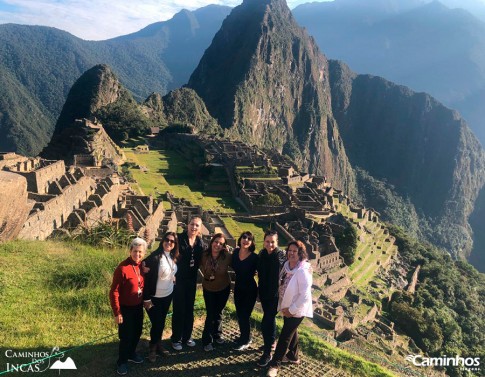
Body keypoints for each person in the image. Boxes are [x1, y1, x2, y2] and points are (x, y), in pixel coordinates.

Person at [266, 241, 313, 377]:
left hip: (297, 310)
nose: (291, 253)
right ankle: (293, 355)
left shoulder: (303, 271)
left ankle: (275, 364)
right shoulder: (287, 266)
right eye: (290, 250)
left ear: (300, 254)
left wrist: (291, 310)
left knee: (285, 336)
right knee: (291, 330)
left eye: (295, 251)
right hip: (286, 306)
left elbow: (304, 296)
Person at [109, 237, 147, 376]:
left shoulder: (142, 266)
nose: (137, 254)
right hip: (125, 308)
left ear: (144, 253)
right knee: (126, 336)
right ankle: (122, 361)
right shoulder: (122, 268)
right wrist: (117, 312)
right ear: (130, 251)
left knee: (137, 332)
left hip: (138, 306)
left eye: (140, 252)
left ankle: (131, 354)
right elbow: (114, 291)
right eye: (135, 251)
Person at [142, 232, 179, 362]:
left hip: (167, 295)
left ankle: (158, 344)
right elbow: (143, 268)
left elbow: (173, 271)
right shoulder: (154, 257)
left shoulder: (174, 257)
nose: (169, 243)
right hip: (153, 297)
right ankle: (152, 347)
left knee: (161, 322)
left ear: (175, 245)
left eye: (172, 241)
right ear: (162, 241)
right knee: (157, 323)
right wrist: (146, 299)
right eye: (167, 240)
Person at [171, 216, 205, 351]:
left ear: (200, 228)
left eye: (197, 225)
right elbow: (165, 251)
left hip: (191, 281)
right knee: (179, 310)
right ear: (187, 225)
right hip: (178, 280)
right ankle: (176, 339)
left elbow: (207, 256)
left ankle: (187, 337)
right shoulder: (178, 239)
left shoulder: (200, 243)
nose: (194, 227)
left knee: (189, 310)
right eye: (192, 224)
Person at [256, 230, 286, 367]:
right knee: (270, 320)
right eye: (267, 241)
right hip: (264, 293)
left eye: (272, 242)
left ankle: (268, 353)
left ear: (277, 242)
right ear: (264, 242)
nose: (270, 244)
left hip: (275, 295)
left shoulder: (280, 255)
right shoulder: (262, 254)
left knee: (265, 321)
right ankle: (270, 343)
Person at [199, 233, 232, 352]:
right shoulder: (204, 255)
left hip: (223, 288)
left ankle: (217, 334)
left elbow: (238, 265)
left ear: (224, 246)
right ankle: (206, 340)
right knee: (211, 314)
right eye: (216, 242)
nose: (217, 245)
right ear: (212, 242)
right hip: (208, 288)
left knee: (218, 312)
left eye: (221, 243)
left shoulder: (227, 256)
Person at [231, 231, 259, 351]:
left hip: (250, 289)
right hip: (238, 288)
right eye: (244, 237)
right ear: (240, 239)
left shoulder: (254, 257)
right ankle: (244, 336)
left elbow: (262, 273)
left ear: (252, 242)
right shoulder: (235, 252)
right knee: (239, 314)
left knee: (245, 315)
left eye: (249, 238)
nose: (246, 240)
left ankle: (246, 340)